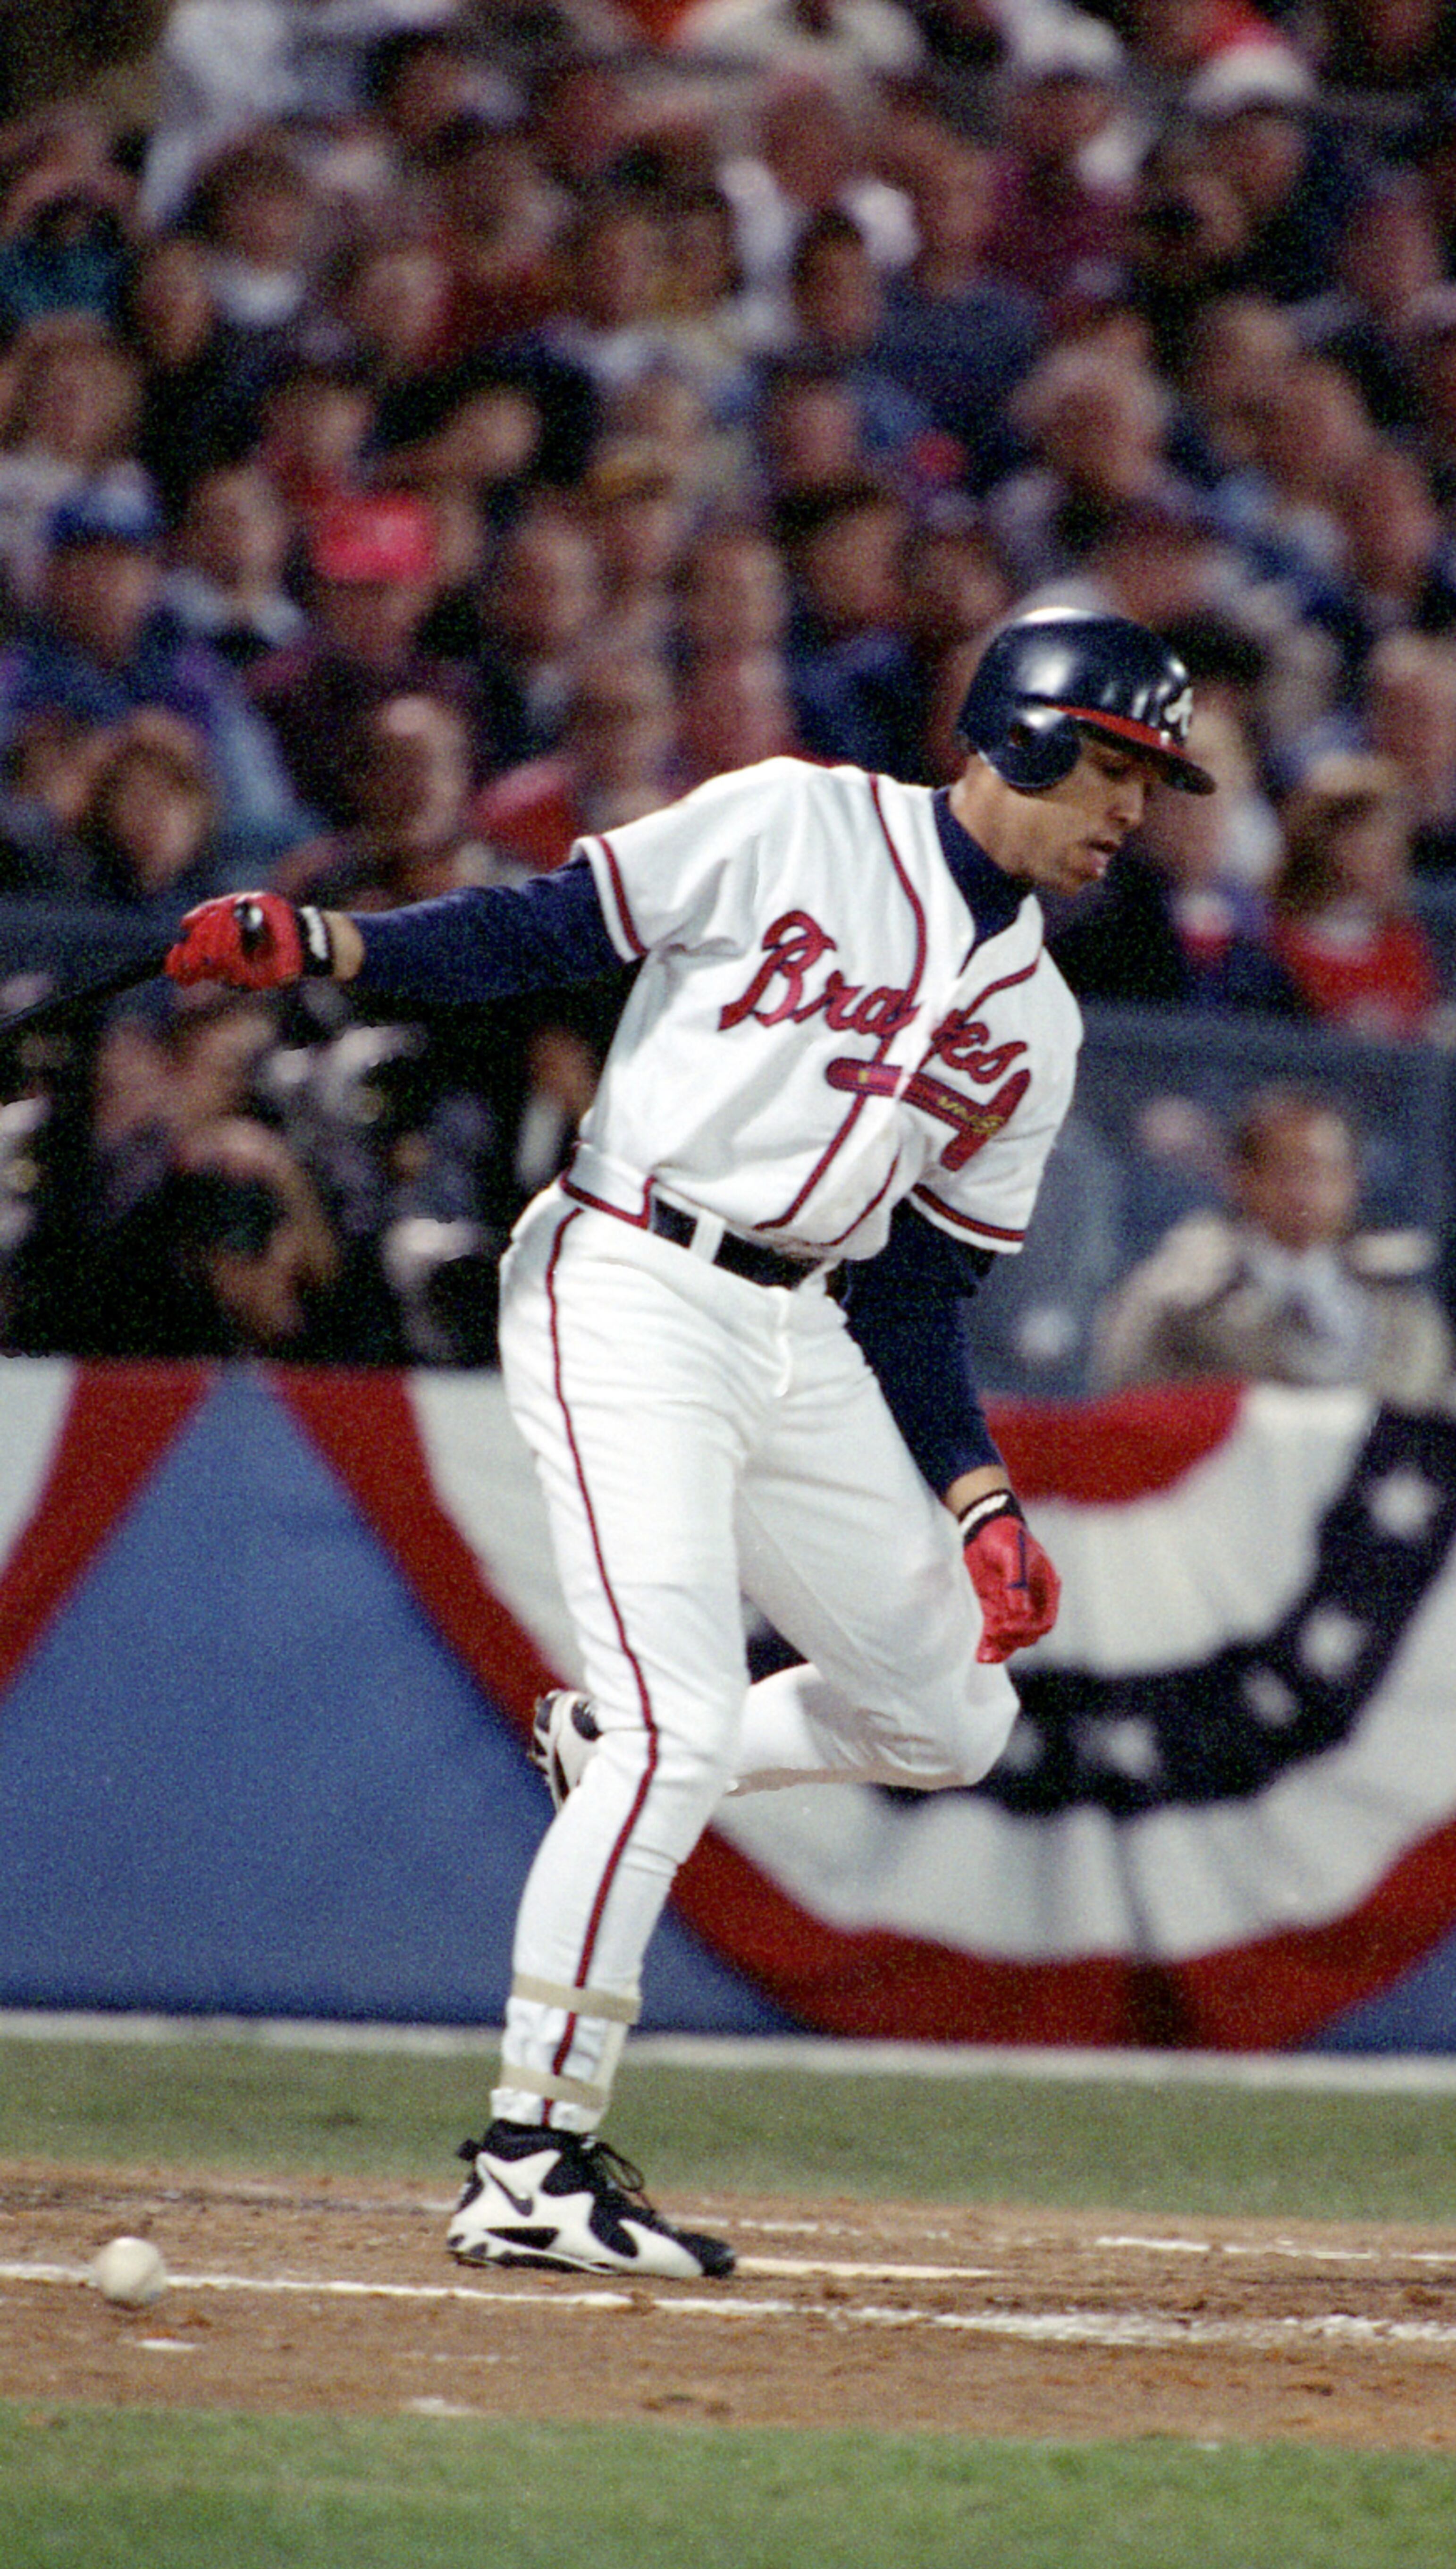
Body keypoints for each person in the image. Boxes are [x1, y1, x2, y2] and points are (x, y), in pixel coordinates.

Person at [162, 605, 1215, 2281]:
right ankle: (530, 2157)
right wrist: (325, 942)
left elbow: (919, 1295)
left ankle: (634, 1745)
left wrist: (980, 1496)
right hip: (629, 1272)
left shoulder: (1040, 1021)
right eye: (1117, 763)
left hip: (800, 1327)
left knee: (946, 1710)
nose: (1134, 808)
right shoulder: (799, 815)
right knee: (677, 1725)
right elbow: (539, 927)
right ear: (1018, 728)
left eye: (1153, 781)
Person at [1092, 1085, 1454, 1400]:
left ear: (1353, 1180)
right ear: (1243, 1178)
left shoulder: (1397, 1302)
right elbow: (1133, 1394)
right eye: (1289, 1170)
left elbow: (1422, 1398)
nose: (1307, 1192)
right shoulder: (1178, 1297)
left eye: (1326, 1172)